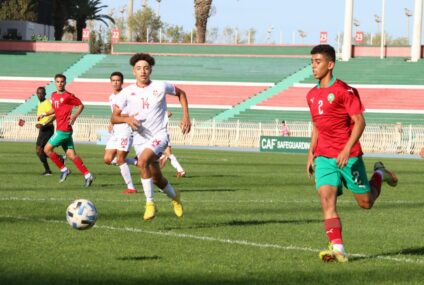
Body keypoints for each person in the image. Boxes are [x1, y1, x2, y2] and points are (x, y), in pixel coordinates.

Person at [305, 44, 398, 263]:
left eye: (318, 62)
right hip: (325, 157)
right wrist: (311, 153)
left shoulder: (344, 91)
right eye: (311, 62)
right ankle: (338, 249)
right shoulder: (311, 95)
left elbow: (359, 121)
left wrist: (347, 148)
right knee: (326, 199)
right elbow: (317, 125)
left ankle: (379, 174)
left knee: (365, 203)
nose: (313, 66)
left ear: (330, 64)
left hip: (349, 156)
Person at [111, 53, 191, 221]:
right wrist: (127, 119)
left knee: (142, 162)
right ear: (134, 71)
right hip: (140, 139)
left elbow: (181, 94)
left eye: (146, 68)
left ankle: (150, 204)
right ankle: (176, 197)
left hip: (159, 135)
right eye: (139, 68)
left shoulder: (161, 86)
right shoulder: (126, 93)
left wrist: (186, 117)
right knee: (156, 177)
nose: (143, 71)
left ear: (151, 70)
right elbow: (114, 117)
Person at [38, 74, 94, 187]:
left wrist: (74, 116)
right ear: (55, 83)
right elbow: (55, 109)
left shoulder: (68, 96)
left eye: (62, 81)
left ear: (65, 83)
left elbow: (81, 105)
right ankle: (88, 175)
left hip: (64, 130)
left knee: (47, 149)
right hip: (62, 129)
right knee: (71, 155)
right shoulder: (53, 95)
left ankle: (64, 169)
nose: (60, 83)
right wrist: (44, 114)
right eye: (58, 81)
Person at [104, 71, 138, 194]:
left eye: (118, 80)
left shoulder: (127, 95)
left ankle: (131, 187)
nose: (115, 82)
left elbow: (131, 113)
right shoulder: (111, 97)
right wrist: (111, 122)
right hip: (115, 131)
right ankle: (137, 162)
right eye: (113, 80)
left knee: (120, 159)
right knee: (107, 159)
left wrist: (119, 117)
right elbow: (114, 113)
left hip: (125, 130)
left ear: (122, 82)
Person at [159, 111, 186, 177]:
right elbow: (170, 113)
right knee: (167, 154)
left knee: (167, 153)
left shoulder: (158, 112)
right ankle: (180, 171)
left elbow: (169, 113)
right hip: (162, 134)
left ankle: (163, 157)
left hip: (161, 135)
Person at [35, 87, 55, 176]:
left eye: (41, 93)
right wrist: (39, 123)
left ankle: (48, 171)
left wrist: (43, 124)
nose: (39, 95)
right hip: (43, 129)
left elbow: (53, 115)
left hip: (47, 128)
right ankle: (59, 158)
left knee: (39, 150)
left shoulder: (47, 103)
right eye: (38, 93)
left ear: (45, 94)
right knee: (42, 151)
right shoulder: (40, 103)